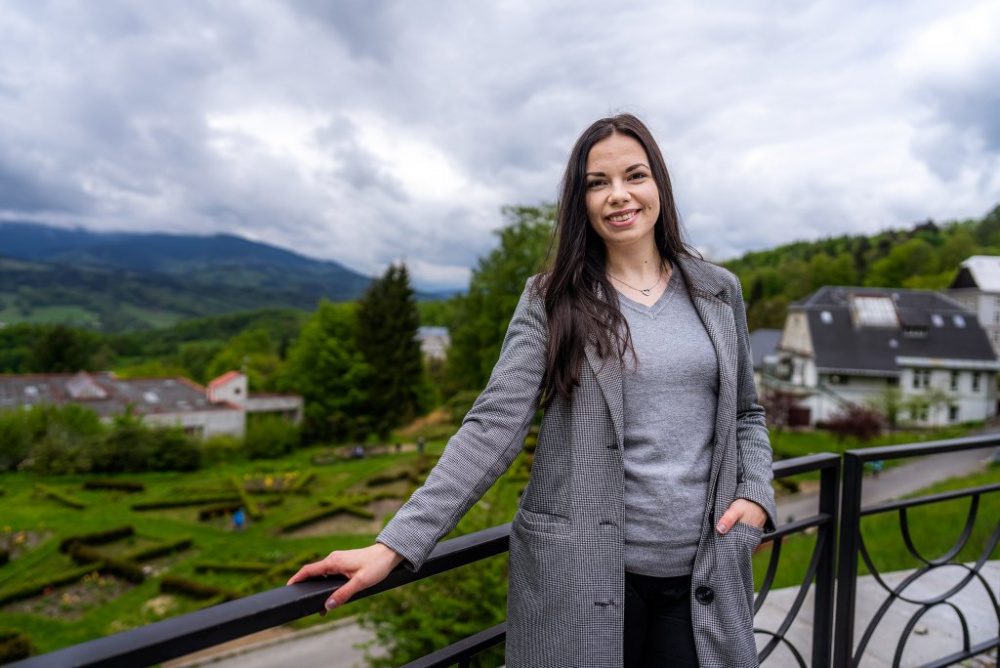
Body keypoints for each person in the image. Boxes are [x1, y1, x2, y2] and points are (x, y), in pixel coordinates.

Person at [288, 114, 776, 667]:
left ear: (658, 183)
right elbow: (492, 428)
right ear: (580, 200)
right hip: (581, 575)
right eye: (598, 183)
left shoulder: (717, 291)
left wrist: (756, 492)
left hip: (702, 576)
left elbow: (745, 414)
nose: (619, 195)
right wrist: (394, 544)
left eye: (634, 175)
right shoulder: (552, 299)